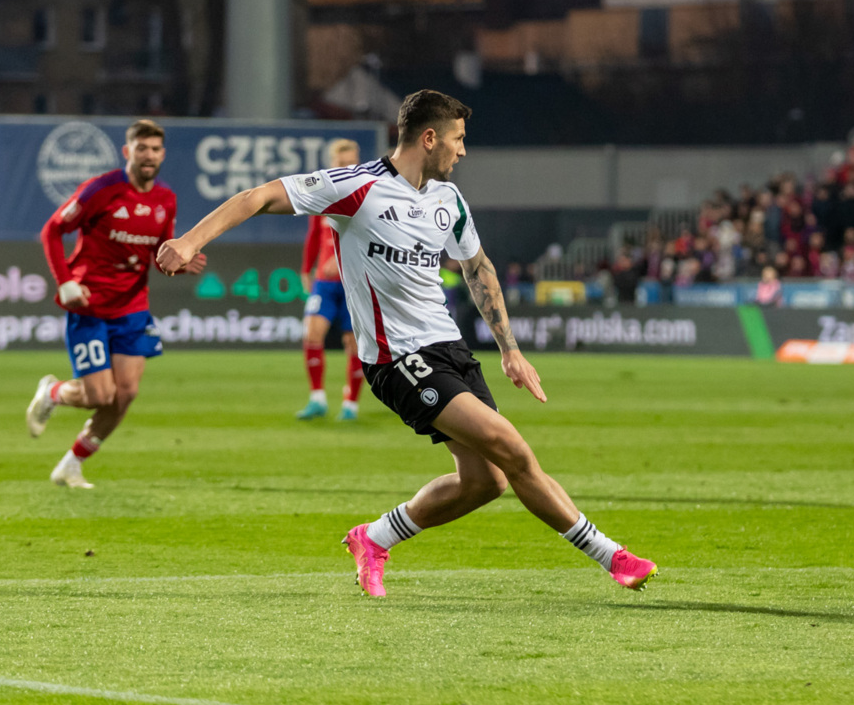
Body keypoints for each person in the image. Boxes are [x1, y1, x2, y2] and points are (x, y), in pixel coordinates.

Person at [155, 89, 656, 596]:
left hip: (451, 350)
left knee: (487, 482)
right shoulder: (357, 186)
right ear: (430, 137)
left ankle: (373, 538)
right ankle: (613, 557)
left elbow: (477, 268)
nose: (463, 151)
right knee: (512, 449)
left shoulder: (449, 200)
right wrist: (190, 241)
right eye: (458, 140)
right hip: (398, 359)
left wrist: (510, 349)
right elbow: (256, 197)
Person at [25, 119, 208, 488]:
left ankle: (71, 464)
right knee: (99, 395)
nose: (149, 155)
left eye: (155, 149)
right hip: (90, 306)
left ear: (163, 154)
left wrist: (180, 262)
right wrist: (66, 282)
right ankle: (53, 392)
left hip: (133, 308)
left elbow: (159, 250)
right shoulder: (101, 189)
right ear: (128, 152)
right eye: (142, 148)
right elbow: (52, 230)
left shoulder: (165, 200)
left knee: (125, 394)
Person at [297, 137, 364, 420]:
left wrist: (345, 262)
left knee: (354, 344)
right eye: (340, 163)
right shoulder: (322, 196)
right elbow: (314, 234)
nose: (346, 168)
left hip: (355, 282)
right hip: (324, 283)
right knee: (312, 334)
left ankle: (350, 404)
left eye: (350, 163)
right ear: (332, 165)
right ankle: (318, 399)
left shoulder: (367, 196)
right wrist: (305, 268)